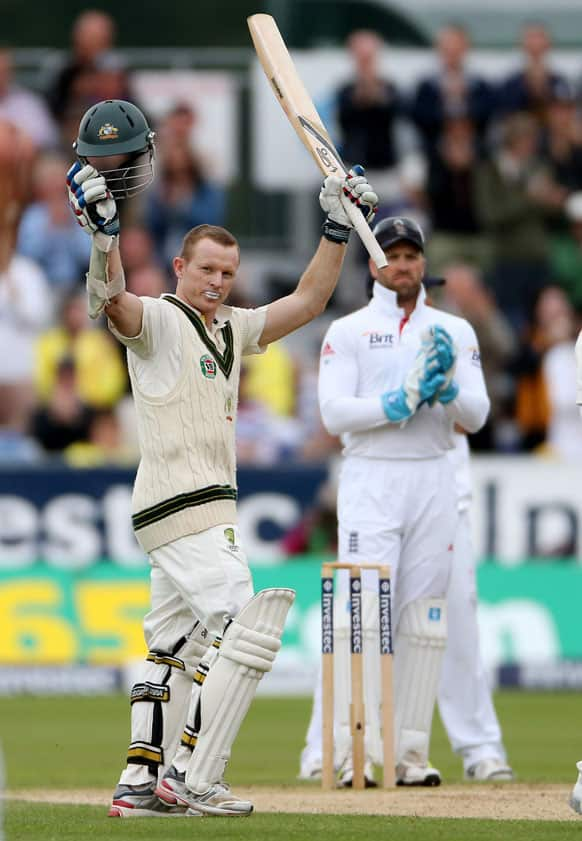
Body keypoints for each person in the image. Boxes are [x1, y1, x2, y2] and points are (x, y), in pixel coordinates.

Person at [65, 98, 379, 817]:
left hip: (188, 508)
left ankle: (141, 782)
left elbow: (308, 299)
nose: (218, 281)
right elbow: (113, 305)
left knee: (172, 645)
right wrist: (104, 238)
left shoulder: (234, 326)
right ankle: (194, 774)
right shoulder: (162, 320)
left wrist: (336, 224)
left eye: (227, 272)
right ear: (180, 265)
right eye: (206, 269)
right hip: (186, 503)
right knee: (245, 621)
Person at [300, 216, 490, 787]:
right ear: (373, 265)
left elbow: (477, 416)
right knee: (361, 615)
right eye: (390, 255)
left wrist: (448, 391)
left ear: (424, 264)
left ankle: (409, 754)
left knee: (423, 617)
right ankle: (341, 748)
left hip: (434, 475)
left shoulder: (454, 332)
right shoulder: (349, 331)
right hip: (372, 476)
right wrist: (401, 398)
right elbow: (334, 414)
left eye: (411, 255)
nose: (401, 265)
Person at [299, 429, 513, 783]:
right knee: (356, 622)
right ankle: (326, 749)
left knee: (448, 624)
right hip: (380, 488)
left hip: (446, 496)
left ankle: (479, 749)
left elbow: (472, 416)